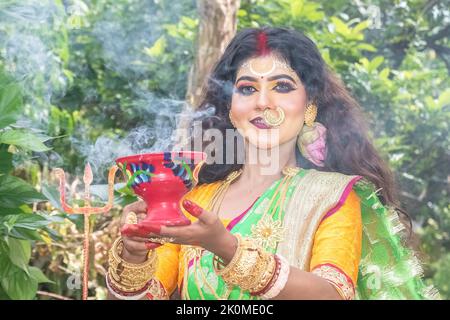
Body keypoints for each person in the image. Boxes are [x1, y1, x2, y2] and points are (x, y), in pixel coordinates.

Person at [106, 27, 439, 300]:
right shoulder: (197, 200)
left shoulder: (333, 196)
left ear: (310, 105)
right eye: (247, 88)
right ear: (229, 108)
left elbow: (332, 294)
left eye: (282, 86)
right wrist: (134, 254)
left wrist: (226, 247)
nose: (262, 103)